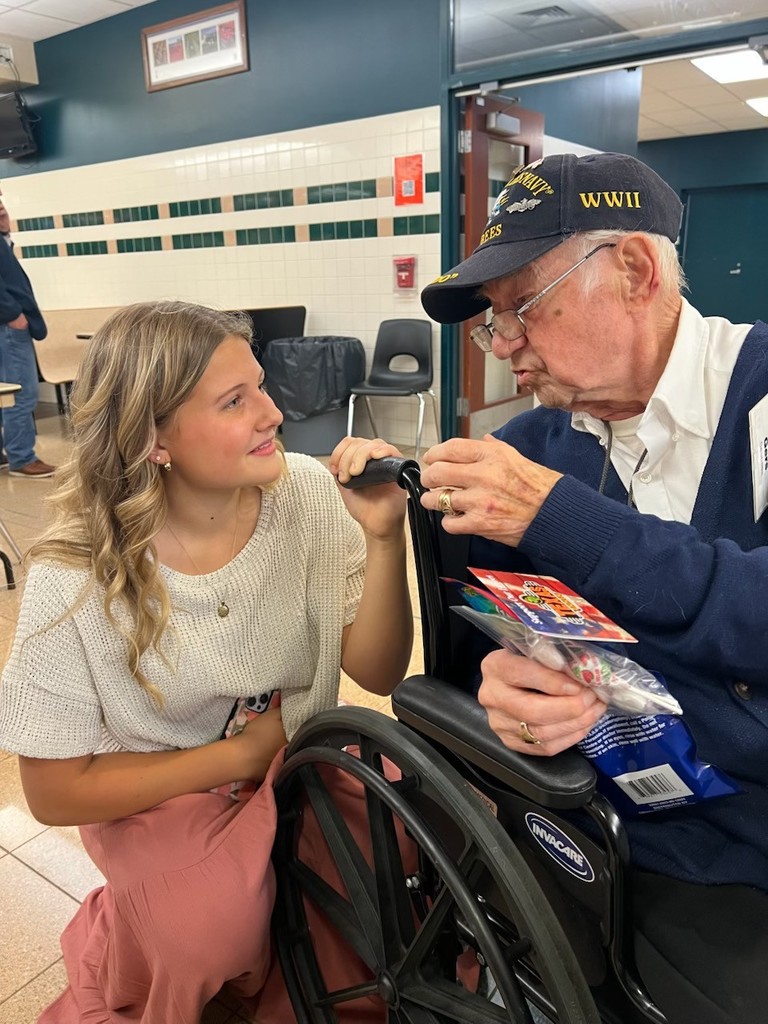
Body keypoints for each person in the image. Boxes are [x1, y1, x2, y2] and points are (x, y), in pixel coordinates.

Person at [418, 151, 768, 1024]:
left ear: (636, 272)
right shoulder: (536, 445)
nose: (506, 351)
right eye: (493, 326)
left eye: (523, 310)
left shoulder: (759, 394)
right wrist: (504, 691)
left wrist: (561, 518)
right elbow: (491, 646)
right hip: (600, 822)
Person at [0, 300, 413, 1022]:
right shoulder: (74, 571)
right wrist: (241, 757)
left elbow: (378, 673)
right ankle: (140, 938)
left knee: (410, 845)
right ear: (154, 438)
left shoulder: (307, 497)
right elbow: (55, 795)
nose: (273, 413)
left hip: (299, 759)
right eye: (234, 400)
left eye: (259, 385)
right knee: (204, 931)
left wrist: (384, 541)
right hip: (152, 793)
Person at [0, 186, 55, 477]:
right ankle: (23, 457)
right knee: (21, 391)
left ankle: (6, 453)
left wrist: (5, 233)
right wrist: (13, 315)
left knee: (4, 391)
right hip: (7, 326)